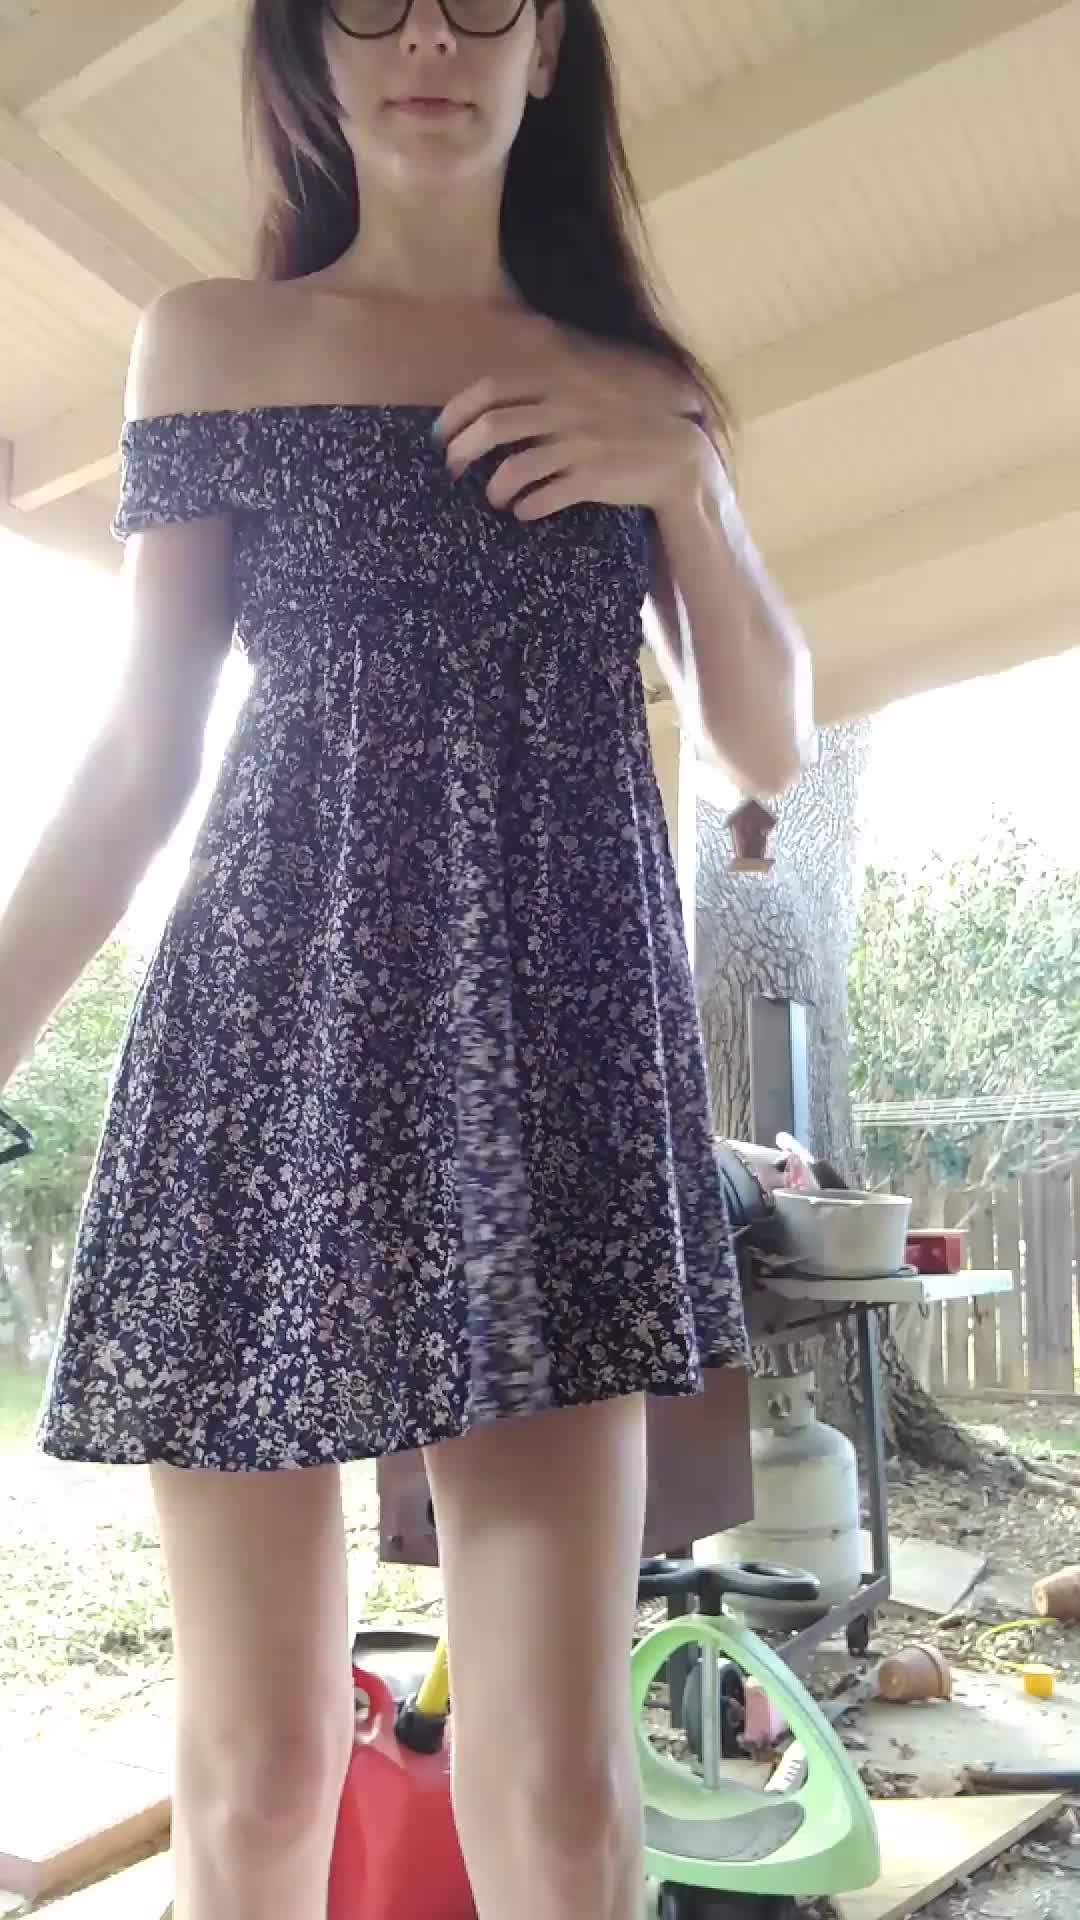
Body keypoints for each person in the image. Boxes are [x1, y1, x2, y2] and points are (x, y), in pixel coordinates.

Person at [0, 2, 811, 1916]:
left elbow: (765, 743)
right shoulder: (215, 340)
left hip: (551, 1073)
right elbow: (138, 758)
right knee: (260, 1770)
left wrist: (687, 483)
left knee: (560, 1796)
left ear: (551, 49)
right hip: (268, 1052)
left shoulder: (634, 387)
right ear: (306, 46)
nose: (428, 34)